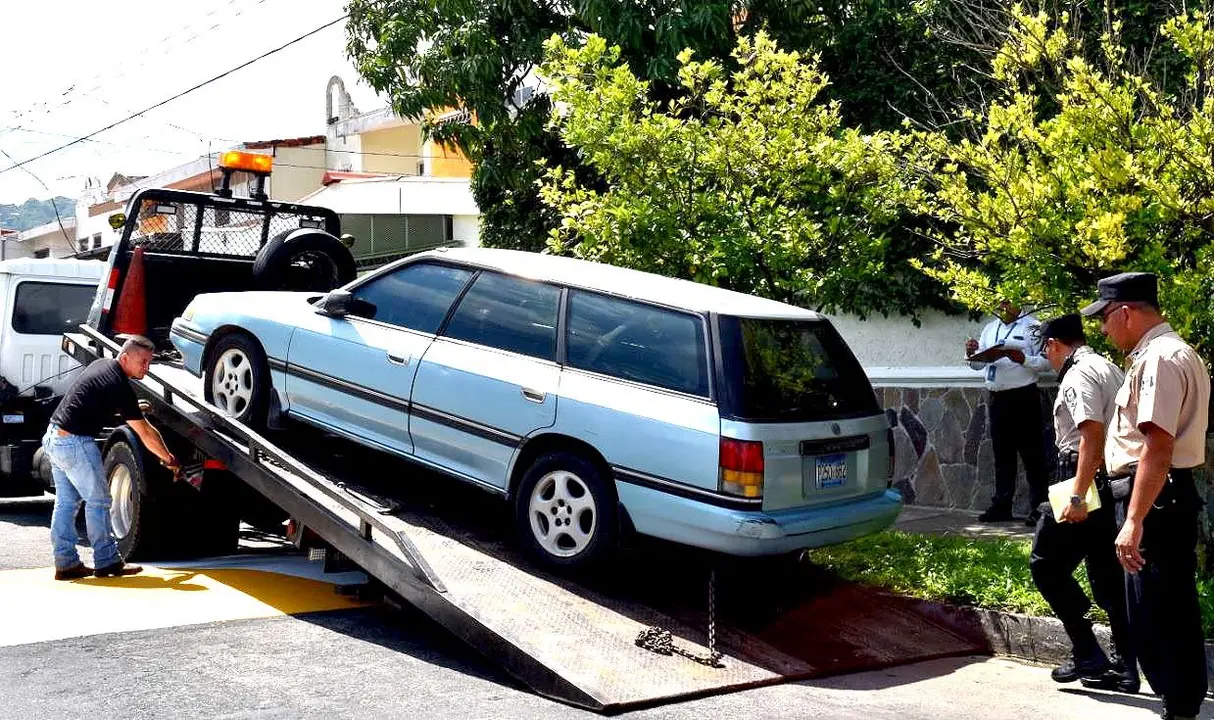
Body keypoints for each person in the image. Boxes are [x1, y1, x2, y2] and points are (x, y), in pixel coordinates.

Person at [1082, 272, 1210, 720]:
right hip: (1162, 494)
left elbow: (1158, 445)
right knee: (1168, 608)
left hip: (1156, 496)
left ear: (1126, 312)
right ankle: (1181, 704)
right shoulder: (1166, 353)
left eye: (1105, 318)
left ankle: (1179, 707)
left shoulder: (1159, 358)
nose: (1103, 329)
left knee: (1156, 614)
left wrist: (1133, 521)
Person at [1030, 314, 1137, 692]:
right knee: (1107, 577)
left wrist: (1077, 494)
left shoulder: (1078, 374)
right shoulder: (1106, 366)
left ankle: (1087, 649)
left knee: (1045, 565)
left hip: (1086, 483)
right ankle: (1126, 667)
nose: (1047, 358)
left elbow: (1090, 432)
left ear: (1054, 344)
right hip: (1112, 482)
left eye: (1046, 350)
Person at [42, 335, 178, 580]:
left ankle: (65, 563)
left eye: (149, 362)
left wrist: (135, 409)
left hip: (54, 437)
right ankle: (107, 562)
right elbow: (145, 432)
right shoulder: (119, 385)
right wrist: (168, 458)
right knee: (99, 501)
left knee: (66, 503)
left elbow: (100, 401)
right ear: (125, 357)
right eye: (142, 362)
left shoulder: (101, 366)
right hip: (75, 442)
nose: (146, 368)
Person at [965, 297, 1052, 524]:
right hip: (997, 398)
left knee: (1032, 454)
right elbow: (977, 365)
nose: (1002, 307)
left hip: (1023, 396)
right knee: (1002, 454)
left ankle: (1039, 506)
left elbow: (1046, 363)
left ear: (1018, 303)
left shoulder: (1033, 327)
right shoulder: (989, 328)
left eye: (1007, 303)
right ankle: (1002, 505)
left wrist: (1023, 359)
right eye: (999, 303)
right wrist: (971, 353)